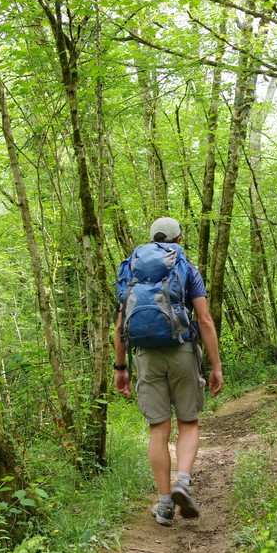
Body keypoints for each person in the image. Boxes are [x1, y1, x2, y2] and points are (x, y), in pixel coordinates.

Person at [113, 217, 224, 526]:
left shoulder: (134, 270)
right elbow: (204, 320)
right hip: (182, 351)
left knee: (158, 430)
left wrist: (120, 368)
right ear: (179, 240)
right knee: (188, 423)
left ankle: (164, 505)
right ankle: (183, 482)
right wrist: (215, 366)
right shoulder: (187, 269)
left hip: (146, 356)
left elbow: (120, 325)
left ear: (151, 239)